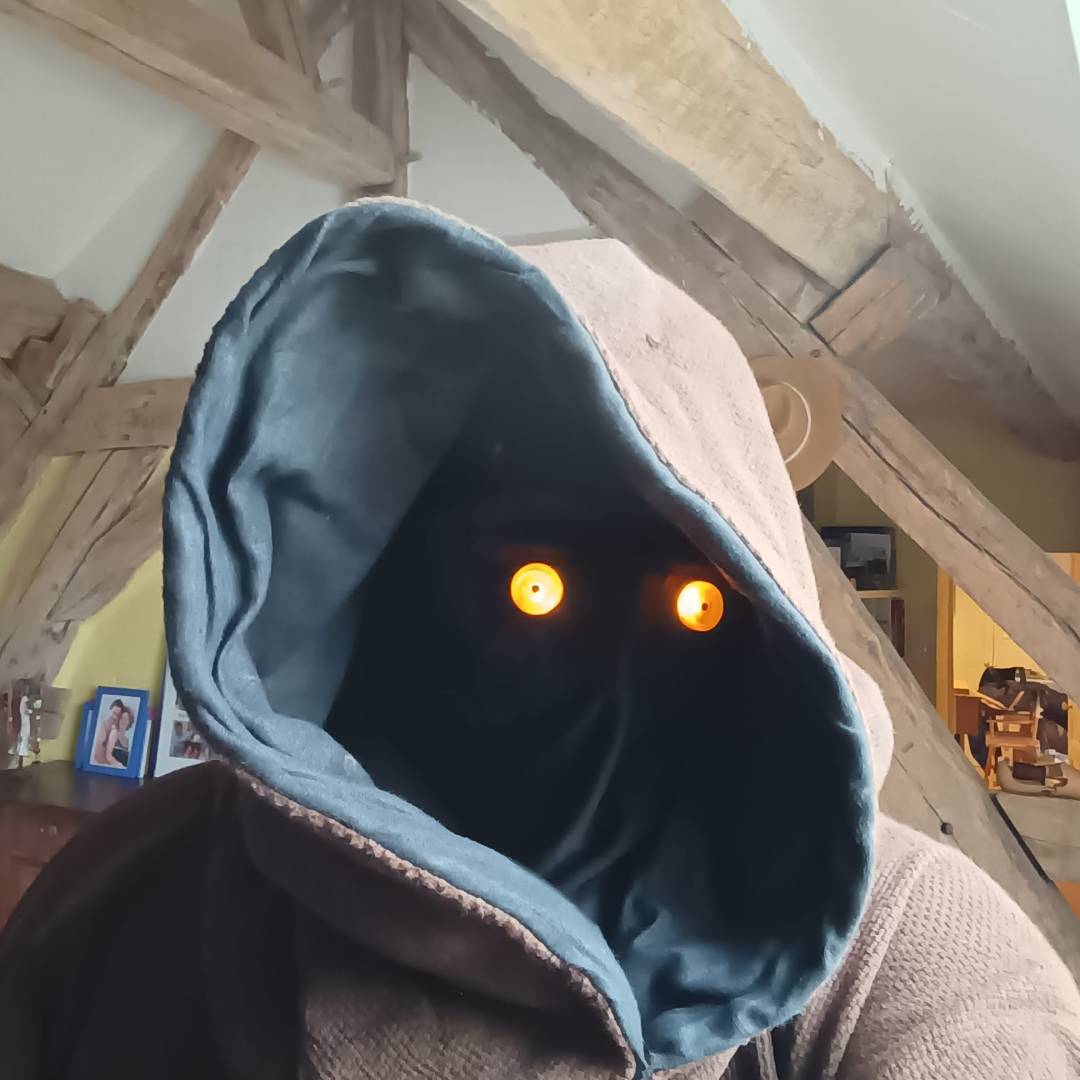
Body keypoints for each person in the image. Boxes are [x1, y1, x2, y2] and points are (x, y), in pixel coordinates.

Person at [1, 201, 1077, 1078]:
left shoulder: (896, 958)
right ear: (388, 549)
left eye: (699, 599)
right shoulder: (135, 877)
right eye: (534, 582)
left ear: (773, 606)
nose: (606, 646)